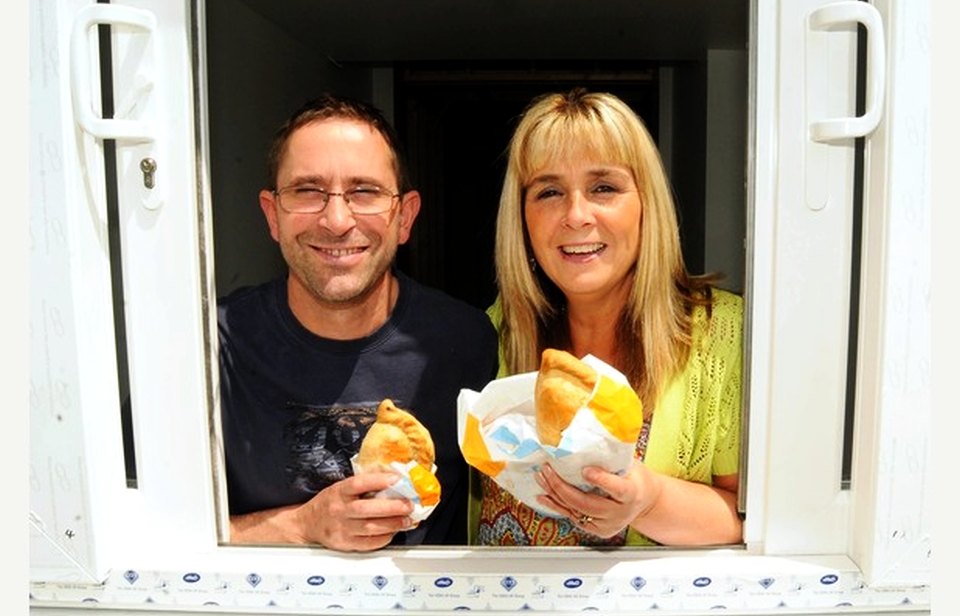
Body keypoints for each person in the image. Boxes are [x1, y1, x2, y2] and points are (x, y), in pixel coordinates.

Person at [217, 93, 499, 552]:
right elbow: (127, 521)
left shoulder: (468, 344)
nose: (336, 220)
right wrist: (303, 526)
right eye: (307, 190)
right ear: (272, 214)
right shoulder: (211, 347)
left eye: (364, 192)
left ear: (404, 217)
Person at [475, 88, 743, 547]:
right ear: (522, 217)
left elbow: (750, 518)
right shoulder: (492, 330)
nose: (576, 216)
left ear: (646, 204)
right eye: (549, 192)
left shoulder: (724, 333)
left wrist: (650, 499)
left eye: (604, 188)